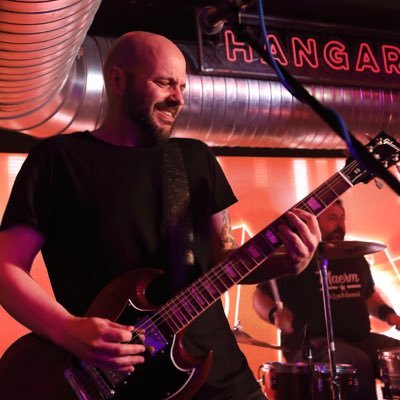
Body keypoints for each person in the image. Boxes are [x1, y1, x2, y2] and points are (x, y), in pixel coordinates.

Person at [0, 31, 321, 399]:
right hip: (108, 378)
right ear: (118, 80)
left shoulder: (194, 158)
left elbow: (224, 258)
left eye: (182, 85)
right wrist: (67, 329)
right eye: (164, 82)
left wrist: (286, 264)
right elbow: (6, 266)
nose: (178, 98)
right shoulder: (57, 161)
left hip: (218, 376)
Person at [253, 199, 400, 400]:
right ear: (313, 222)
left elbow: (368, 295)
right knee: (357, 362)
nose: (339, 224)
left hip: (360, 339)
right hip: (312, 345)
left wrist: (390, 316)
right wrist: (274, 314)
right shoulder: (298, 257)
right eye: (332, 218)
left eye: (342, 218)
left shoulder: (354, 256)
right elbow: (260, 296)